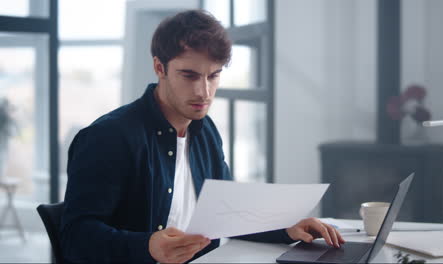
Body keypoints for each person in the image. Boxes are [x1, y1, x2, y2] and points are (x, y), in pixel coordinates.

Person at [60, 9, 345, 263]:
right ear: (160, 68)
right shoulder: (108, 137)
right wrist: (146, 247)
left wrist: (285, 228)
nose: (204, 92)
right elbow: (74, 237)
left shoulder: (205, 130)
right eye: (189, 76)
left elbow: (228, 214)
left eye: (213, 76)